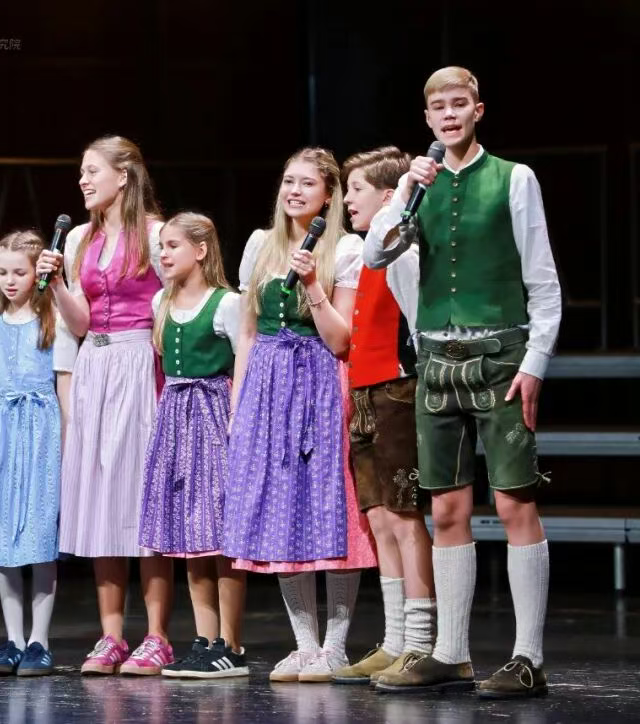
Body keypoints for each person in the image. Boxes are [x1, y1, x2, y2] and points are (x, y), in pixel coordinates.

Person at [368, 66, 561, 699]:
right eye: (438, 108)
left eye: (459, 104)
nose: (448, 115)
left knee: (513, 501)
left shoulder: (513, 178)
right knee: (446, 508)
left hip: (500, 354)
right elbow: (374, 254)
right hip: (437, 360)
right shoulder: (417, 188)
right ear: (427, 119)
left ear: (478, 110)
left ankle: (528, 657)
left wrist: (534, 362)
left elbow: (543, 281)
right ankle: (451, 653)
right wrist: (405, 189)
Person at [224, 148, 377, 684]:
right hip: (267, 386)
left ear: (328, 195)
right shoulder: (260, 245)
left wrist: (312, 284)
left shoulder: (347, 249)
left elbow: (341, 340)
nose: (294, 191)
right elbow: (247, 332)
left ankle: (335, 647)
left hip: (320, 383)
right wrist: (238, 404)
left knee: (329, 510)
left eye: (307, 183)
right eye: (289, 181)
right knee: (279, 510)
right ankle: (305, 644)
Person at [36, 135, 175, 676]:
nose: (83, 180)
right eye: (81, 171)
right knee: (101, 501)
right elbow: (80, 321)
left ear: (124, 175)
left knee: (141, 500)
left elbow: (173, 307)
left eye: (92, 170)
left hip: (139, 365)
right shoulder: (78, 238)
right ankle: (112, 634)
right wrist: (54, 286)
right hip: (95, 366)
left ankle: (157, 635)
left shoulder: (157, 235)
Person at [330, 147, 436, 686]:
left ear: (390, 197)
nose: (347, 200)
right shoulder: (360, 252)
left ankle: (421, 640)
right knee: (376, 516)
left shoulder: (403, 246)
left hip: (399, 386)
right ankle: (395, 639)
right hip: (363, 387)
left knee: (404, 513)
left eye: (357, 190)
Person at [135, 212, 249, 679]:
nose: (163, 254)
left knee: (220, 532)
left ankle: (231, 643)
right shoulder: (160, 300)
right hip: (175, 417)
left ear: (200, 251)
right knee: (190, 534)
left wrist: (236, 417)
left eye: (173, 245)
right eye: (161, 246)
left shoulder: (226, 303)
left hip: (212, 412)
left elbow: (244, 362)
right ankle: (204, 638)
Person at [0, 230, 72, 677]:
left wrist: (67, 445)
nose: (10, 280)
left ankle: (39, 640)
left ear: (38, 273)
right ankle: (13, 638)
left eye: (19, 272)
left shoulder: (53, 320)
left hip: (41, 433)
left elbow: (63, 391)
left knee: (38, 538)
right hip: (1, 434)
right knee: (3, 541)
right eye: (3, 272)